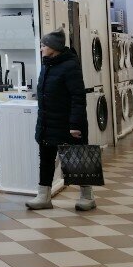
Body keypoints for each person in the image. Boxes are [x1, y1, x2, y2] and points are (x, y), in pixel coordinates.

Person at [26, 28, 94, 212]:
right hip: (47, 122)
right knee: (46, 160)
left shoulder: (70, 66)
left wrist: (75, 125)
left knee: (78, 158)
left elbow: (78, 97)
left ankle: (87, 197)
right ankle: (43, 197)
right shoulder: (47, 65)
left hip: (67, 123)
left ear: (53, 48)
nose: (41, 48)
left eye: (44, 45)